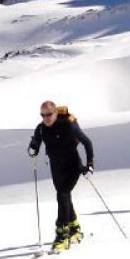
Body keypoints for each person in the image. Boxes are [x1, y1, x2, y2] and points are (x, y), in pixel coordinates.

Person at [28, 101, 95, 251]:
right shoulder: (40, 129)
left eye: (49, 114)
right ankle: (74, 227)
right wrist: (32, 149)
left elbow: (87, 142)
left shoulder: (68, 125)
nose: (46, 118)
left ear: (56, 113)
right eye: (43, 115)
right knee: (64, 196)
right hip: (56, 167)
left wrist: (90, 165)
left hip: (72, 165)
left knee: (62, 195)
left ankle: (62, 233)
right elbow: (35, 144)